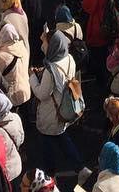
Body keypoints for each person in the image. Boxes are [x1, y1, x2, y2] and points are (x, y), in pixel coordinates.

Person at [28, 29, 84, 181]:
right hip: (64, 107)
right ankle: (79, 167)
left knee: (48, 145)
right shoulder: (69, 58)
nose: (43, 45)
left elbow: (41, 93)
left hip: (50, 113)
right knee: (61, 137)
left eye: (45, 42)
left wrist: (33, 78)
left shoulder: (50, 69)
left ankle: (49, 177)